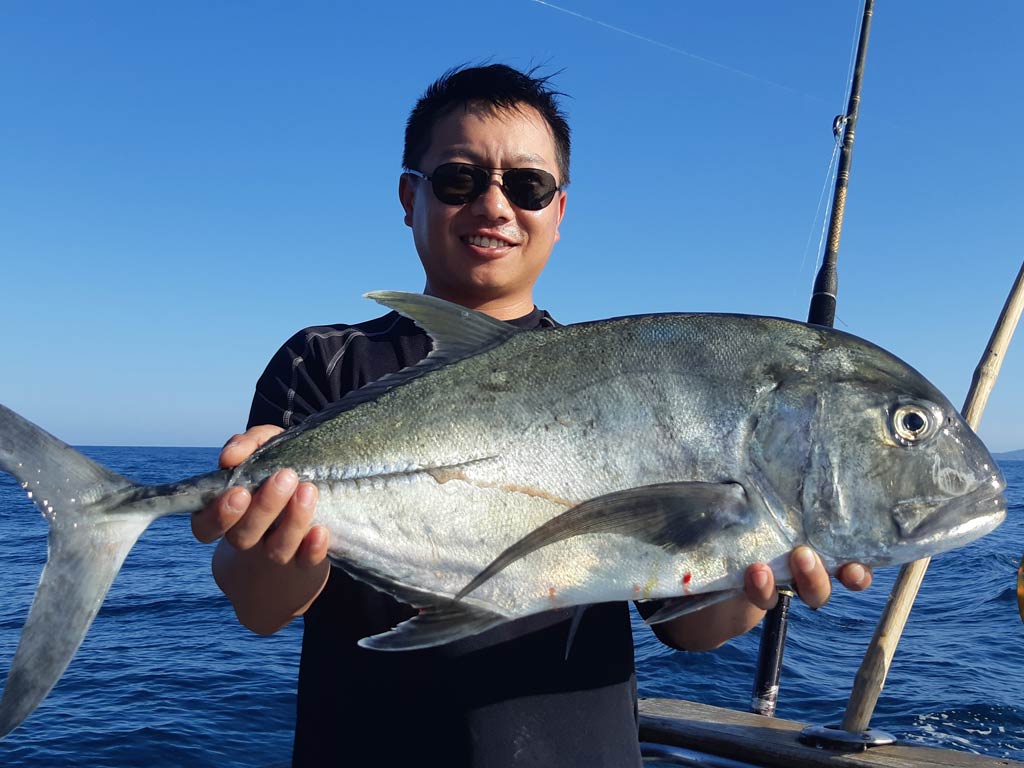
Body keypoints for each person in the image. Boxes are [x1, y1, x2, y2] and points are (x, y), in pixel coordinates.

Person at [192, 64, 872, 767]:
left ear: (559, 211)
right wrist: (282, 540)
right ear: (408, 196)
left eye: (527, 185)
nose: (494, 207)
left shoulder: (621, 382)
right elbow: (260, 605)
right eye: (460, 179)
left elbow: (688, 627)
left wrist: (761, 579)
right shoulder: (323, 364)